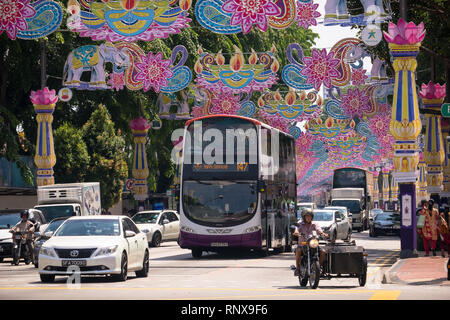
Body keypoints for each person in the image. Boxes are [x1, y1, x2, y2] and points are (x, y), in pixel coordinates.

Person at [293, 208, 328, 276]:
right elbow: (296, 230)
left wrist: (323, 234)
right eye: (307, 216)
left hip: (313, 244)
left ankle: (318, 268)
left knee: (323, 252)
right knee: (298, 251)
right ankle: (297, 268)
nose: (309, 218)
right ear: (304, 217)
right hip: (303, 244)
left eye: (310, 216)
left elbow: (319, 230)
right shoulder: (300, 224)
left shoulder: (315, 224)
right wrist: (296, 232)